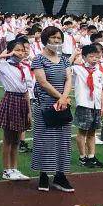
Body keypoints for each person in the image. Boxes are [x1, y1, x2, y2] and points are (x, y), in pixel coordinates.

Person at [31, 26, 75, 192]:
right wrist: (60, 97)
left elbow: (68, 79)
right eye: (53, 38)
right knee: (45, 139)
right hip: (47, 104)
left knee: (63, 140)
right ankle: (43, 174)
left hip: (62, 104)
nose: (56, 41)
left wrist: (64, 98)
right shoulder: (38, 59)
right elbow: (42, 82)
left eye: (59, 38)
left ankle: (60, 175)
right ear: (46, 39)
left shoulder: (64, 59)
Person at [0, 40, 33, 181]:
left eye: (22, 50)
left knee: (17, 139)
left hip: (22, 101)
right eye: (17, 50)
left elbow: (26, 90)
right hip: (10, 99)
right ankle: (6, 169)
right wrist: (8, 54)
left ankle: (14, 168)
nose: (20, 52)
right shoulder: (4, 65)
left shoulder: (25, 67)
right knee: (8, 138)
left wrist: (29, 110)